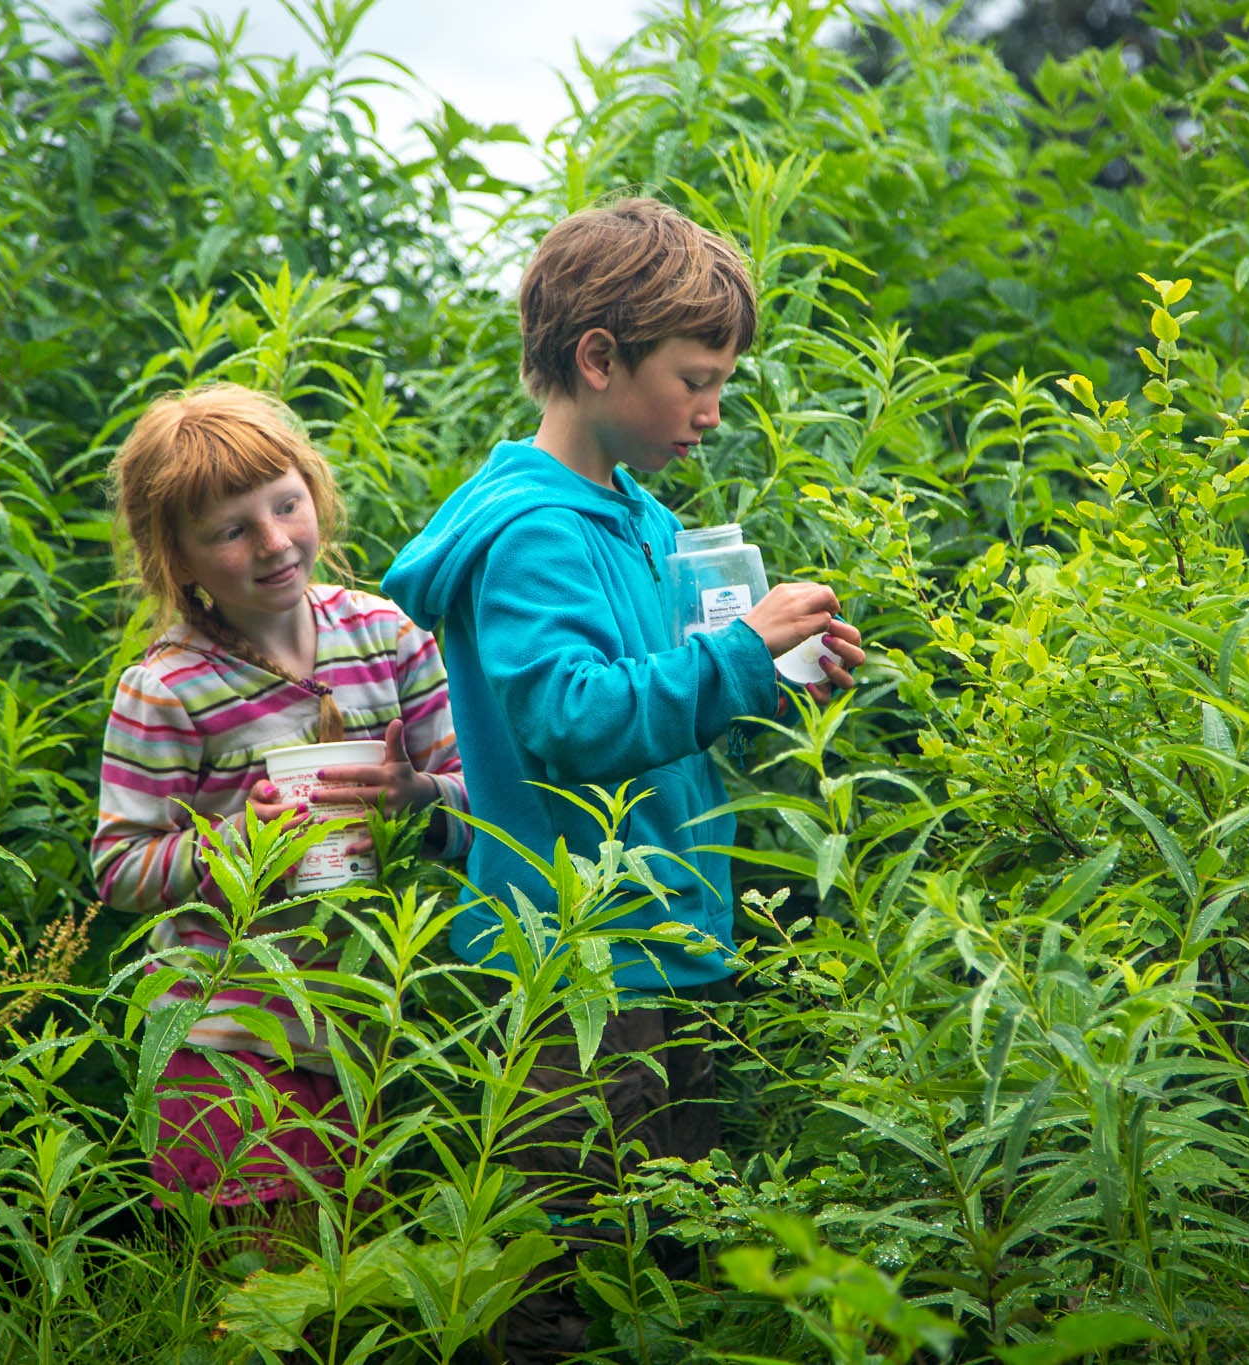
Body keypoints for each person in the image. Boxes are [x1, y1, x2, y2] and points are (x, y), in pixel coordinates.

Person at [382, 196, 865, 1360]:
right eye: (695, 379)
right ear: (599, 359)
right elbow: (572, 720)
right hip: (575, 961)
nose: (711, 410)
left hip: (662, 933)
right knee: (559, 1274)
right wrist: (740, 653)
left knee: (671, 1252)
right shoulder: (532, 533)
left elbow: (659, 696)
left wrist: (767, 674)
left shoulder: (636, 518)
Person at [92, 382, 469, 1213]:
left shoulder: (386, 637)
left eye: (286, 504)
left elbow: (478, 803)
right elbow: (118, 867)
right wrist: (235, 841)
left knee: (340, 1289)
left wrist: (416, 795)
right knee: (255, 1295)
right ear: (177, 557)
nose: (273, 542)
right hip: (220, 1036)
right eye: (231, 530)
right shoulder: (167, 688)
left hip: (360, 1025)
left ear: (313, 489)